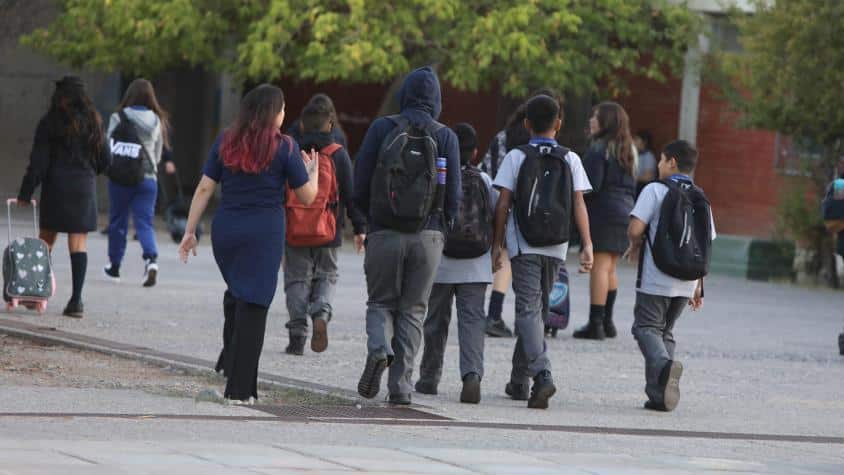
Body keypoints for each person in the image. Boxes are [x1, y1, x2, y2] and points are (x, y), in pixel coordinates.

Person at [178, 84, 318, 404]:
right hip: (263, 233)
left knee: (240, 294)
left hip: (226, 232)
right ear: (274, 113)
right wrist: (313, 173)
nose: (285, 114)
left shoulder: (226, 140)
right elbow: (307, 197)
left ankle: (230, 363)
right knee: (254, 304)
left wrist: (190, 231)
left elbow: (204, 188)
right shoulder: (285, 147)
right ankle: (240, 391)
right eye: (283, 108)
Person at [354, 67, 461, 405]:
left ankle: (379, 349)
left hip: (384, 231)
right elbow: (454, 195)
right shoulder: (446, 137)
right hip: (428, 235)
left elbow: (360, 181)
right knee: (414, 310)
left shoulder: (381, 128)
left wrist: (366, 222)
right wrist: (442, 229)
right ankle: (401, 387)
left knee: (380, 303)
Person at [492, 94, 594, 409]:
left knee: (528, 311)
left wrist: (497, 243)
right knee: (536, 311)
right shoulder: (571, 158)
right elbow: (579, 203)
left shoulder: (516, 156)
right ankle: (519, 381)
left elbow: (503, 204)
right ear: (558, 124)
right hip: (557, 245)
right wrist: (587, 244)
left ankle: (542, 373)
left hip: (524, 243)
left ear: (526, 124)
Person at [626, 140, 716, 412]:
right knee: (665, 331)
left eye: (661, 160)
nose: (658, 165)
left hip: (657, 276)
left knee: (645, 328)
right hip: (688, 280)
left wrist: (634, 243)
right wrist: (699, 285)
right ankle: (659, 396)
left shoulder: (655, 189)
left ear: (672, 162)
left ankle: (665, 367)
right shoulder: (701, 197)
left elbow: (635, 228)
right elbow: (704, 243)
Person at [16, 76, 110, 318]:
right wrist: (89, 172)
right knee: (78, 244)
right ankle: (76, 301)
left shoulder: (50, 122)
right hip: (83, 188)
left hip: (56, 188)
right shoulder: (95, 122)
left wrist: (26, 192)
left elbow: (38, 162)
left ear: (62, 97)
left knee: (45, 241)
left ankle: (36, 294)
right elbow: (106, 159)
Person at [415, 123, 496, 404]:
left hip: (440, 261)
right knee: (472, 321)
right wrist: (497, 249)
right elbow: (496, 213)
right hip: (476, 263)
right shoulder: (484, 180)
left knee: (435, 321)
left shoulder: (436, 177)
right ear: (475, 152)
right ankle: (471, 375)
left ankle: (429, 378)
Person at [283, 101, 367, 356]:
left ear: (301, 125)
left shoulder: (291, 152)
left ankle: (297, 335)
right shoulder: (338, 154)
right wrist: (360, 227)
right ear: (330, 125)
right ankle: (321, 312)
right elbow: (351, 196)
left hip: (294, 229)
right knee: (327, 275)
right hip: (328, 230)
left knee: (297, 279)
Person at [573, 102, 637, 340]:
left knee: (599, 267)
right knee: (610, 267)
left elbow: (591, 185)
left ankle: (596, 323)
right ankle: (608, 322)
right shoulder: (628, 149)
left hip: (603, 213)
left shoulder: (598, 149)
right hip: (625, 212)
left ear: (606, 122)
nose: (591, 120)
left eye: (596, 117)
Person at [103, 78, 170, 287]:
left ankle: (115, 267)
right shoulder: (156, 120)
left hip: (121, 178)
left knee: (118, 222)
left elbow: (108, 146)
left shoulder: (118, 117)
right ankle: (151, 260)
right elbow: (157, 154)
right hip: (147, 178)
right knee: (144, 222)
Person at [634, 130, 657, 197]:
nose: (633, 142)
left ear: (644, 142)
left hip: (642, 189)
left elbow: (648, 177)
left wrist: (631, 178)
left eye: (636, 139)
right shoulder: (636, 155)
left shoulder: (648, 157)